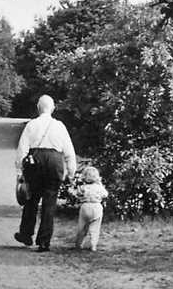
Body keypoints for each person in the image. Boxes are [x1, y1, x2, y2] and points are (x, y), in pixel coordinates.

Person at [14, 94, 76, 252]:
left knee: (31, 199)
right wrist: (71, 171)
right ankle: (44, 241)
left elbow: (22, 149)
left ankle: (26, 234)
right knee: (50, 202)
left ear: (38, 108)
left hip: (35, 161)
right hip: (55, 162)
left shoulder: (32, 125)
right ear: (53, 108)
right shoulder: (60, 126)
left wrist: (20, 171)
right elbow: (69, 150)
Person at [74, 166, 108, 252]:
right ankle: (93, 245)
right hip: (96, 206)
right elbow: (105, 194)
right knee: (95, 228)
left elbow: (77, 194)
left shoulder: (83, 187)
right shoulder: (99, 187)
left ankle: (79, 244)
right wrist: (100, 185)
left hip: (85, 206)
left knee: (82, 227)